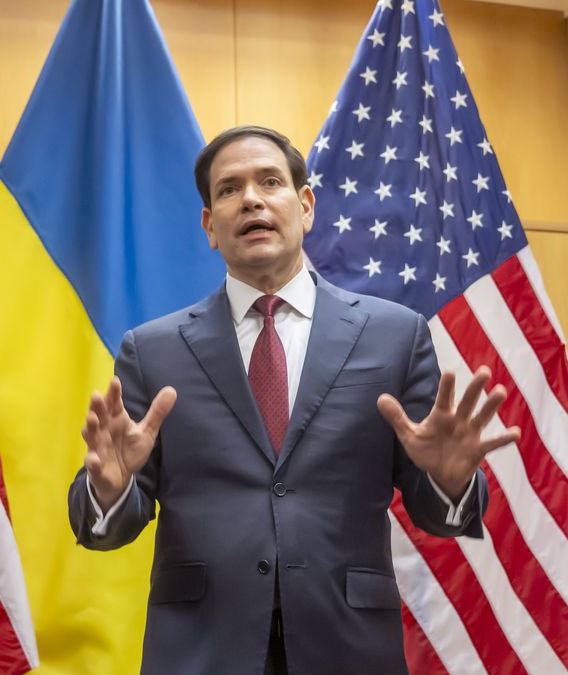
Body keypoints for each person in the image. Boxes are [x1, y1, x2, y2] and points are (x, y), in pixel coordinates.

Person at [67, 126, 518, 674]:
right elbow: (105, 530)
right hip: (201, 651)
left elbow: (439, 517)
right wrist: (109, 491)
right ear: (210, 226)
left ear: (305, 206)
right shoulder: (152, 351)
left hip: (348, 648)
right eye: (229, 190)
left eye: (270, 182)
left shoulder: (394, 336)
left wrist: (449, 482)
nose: (251, 199)